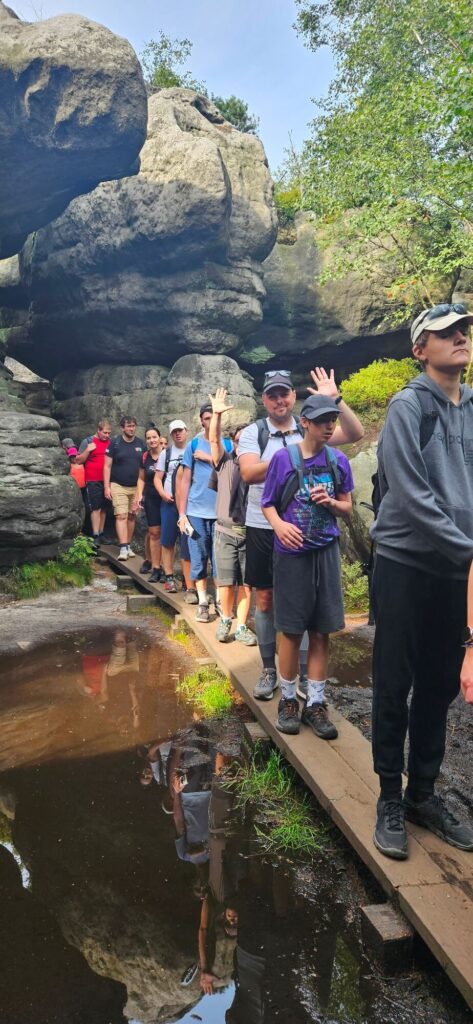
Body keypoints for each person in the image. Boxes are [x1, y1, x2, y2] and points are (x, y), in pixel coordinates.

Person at [370, 302, 473, 860]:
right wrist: (471, 551)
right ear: (420, 349)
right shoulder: (407, 408)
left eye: (463, 330)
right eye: (445, 333)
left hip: (457, 569)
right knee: (393, 678)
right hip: (407, 561)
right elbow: (409, 497)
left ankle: (422, 795)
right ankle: (388, 796)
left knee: (438, 682)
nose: (459, 338)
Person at [238, 368, 364, 698]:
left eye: (285, 393)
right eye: (273, 394)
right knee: (265, 600)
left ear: (294, 398)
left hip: (313, 534)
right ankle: (269, 668)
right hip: (264, 524)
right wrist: (294, 455)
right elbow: (249, 473)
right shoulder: (256, 432)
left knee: (308, 610)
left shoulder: (313, 425)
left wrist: (334, 399)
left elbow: (354, 432)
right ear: (264, 399)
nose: (280, 399)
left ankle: (305, 675)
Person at [261, 394, 353, 737]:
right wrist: (279, 525)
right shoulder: (284, 460)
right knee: (290, 629)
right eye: (323, 421)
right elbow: (268, 503)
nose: (330, 426)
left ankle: (315, 703)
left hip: (325, 552)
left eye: (333, 420)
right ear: (306, 423)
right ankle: (288, 699)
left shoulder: (338, 461)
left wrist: (331, 502)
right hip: (292, 556)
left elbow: (348, 508)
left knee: (321, 629)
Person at [208, 388, 256, 645]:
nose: (241, 444)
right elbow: (214, 441)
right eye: (237, 441)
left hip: (251, 533)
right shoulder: (225, 463)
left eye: (245, 440)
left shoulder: (259, 467)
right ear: (233, 444)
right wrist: (216, 415)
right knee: (226, 583)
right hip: (225, 531)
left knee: (248, 585)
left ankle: (241, 627)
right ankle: (225, 619)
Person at [178, 403, 232, 623]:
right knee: (199, 559)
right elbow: (185, 480)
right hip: (196, 511)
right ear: (201, 420)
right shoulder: (192, 445)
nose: (210, 421)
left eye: (214, 417)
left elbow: (231, 473)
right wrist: (182, 513)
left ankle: (220, 602)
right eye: (207, 418)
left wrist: (209, 458)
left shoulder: (228, 444)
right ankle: (202, 601)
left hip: (221, 513)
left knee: (221, 562)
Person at [155, 419, 193, 595]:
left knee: (188, 542)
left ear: (186, 431)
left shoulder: (193, 448)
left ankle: (188, 581)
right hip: (169, 503)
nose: (178, 434)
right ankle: (169, 576)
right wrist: (163, 493)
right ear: (170, 434)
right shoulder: (166, 453)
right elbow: (157, 477)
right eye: (174, 432)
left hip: (189, 504)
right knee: (168, 540)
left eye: (180, 430)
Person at [103, 415, 146, 560]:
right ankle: (122, 548)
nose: (131, 428)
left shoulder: (141, 444)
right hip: (118, 485)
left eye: (133, 426)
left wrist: (142, 490)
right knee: (121, 515)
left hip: (136, 487)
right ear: (122, 428)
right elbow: (107, 466)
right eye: (128, 426)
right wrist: (106, 487)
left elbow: (145, 468)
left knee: (132, 516)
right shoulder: (115, 443)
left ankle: (127, 545)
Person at [133, 424, 166, 583]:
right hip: (151, 498)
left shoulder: (168, 455)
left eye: (154, 437)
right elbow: (141, 478)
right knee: (154, 533)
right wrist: (138, 494)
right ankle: (155, 568)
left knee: (167, 534)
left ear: (160, 438)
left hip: (167, 499)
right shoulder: (145, 457)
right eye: (149, 438)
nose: (152, 440)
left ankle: (167, 568)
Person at [76, 418, 112, 546]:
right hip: (92, 480)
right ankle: (95, 534)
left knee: (104, 508)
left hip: (107, 481)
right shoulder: (88, 441)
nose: (107, 435)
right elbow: (78, 460)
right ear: (98, 430)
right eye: (105, 433)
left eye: (109, 433)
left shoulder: (110, 442)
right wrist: (88, 450)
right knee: (95, 508)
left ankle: (102, 533)